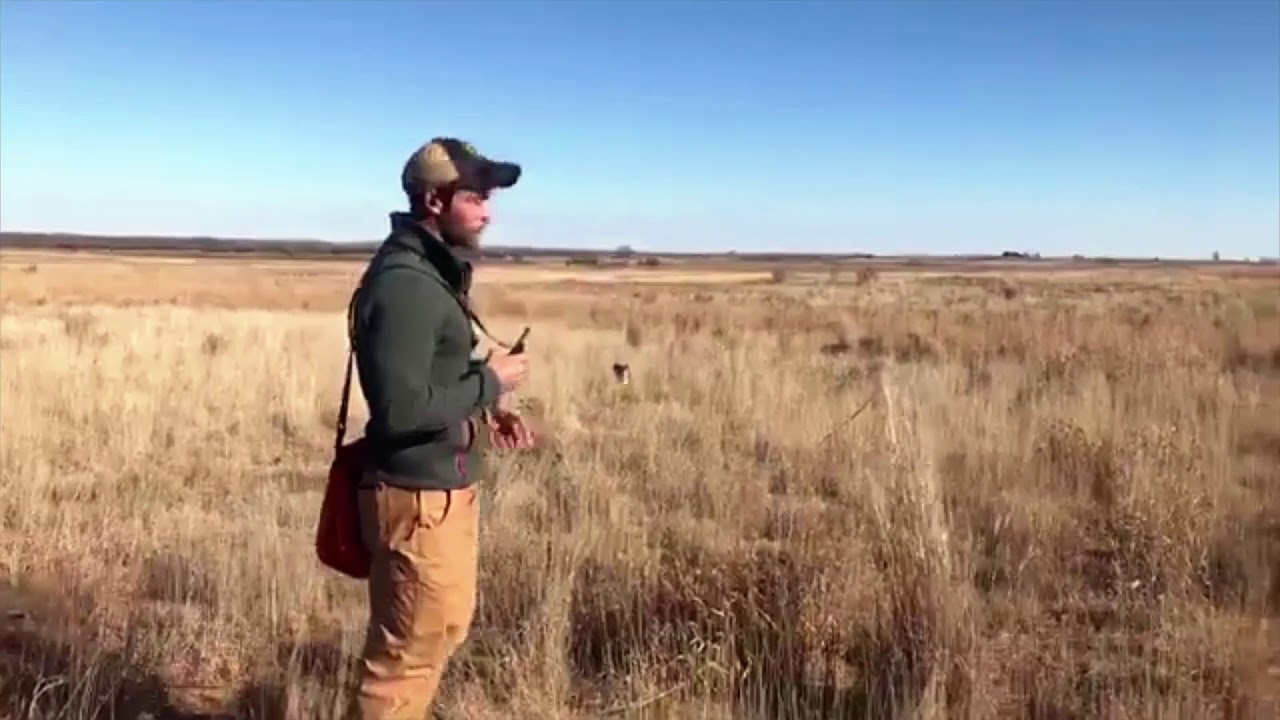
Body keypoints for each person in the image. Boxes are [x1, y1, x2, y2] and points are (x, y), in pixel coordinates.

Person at [347, 137, 535, 719]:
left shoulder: (429, 271)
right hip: (418, 501)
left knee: (436, 635)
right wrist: (490, 382)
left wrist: (488, 401)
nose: (488, 212)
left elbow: (431, 375)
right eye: (476, 197)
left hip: (440, 495)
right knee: (403, 662)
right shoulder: (406, 284)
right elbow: (400, 410)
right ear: (434, 200)